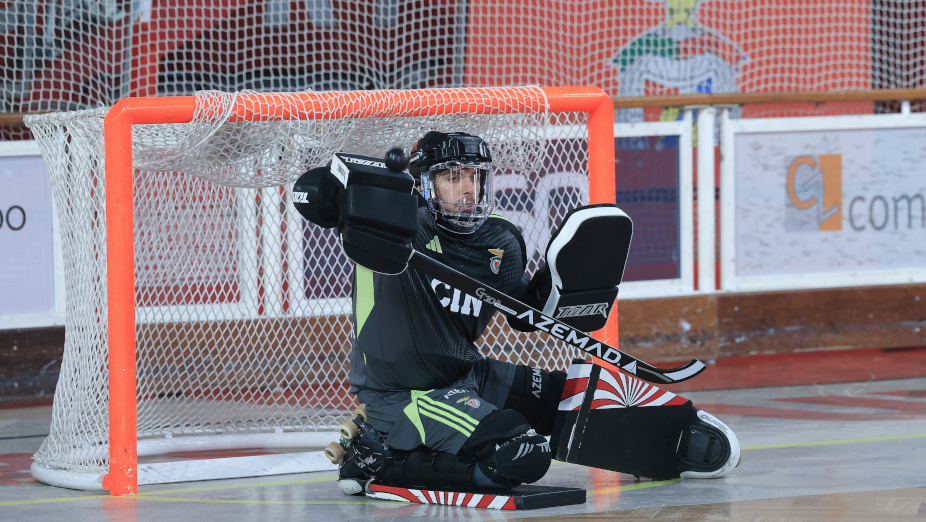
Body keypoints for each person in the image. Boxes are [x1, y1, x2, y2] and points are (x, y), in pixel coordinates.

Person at [292, 131, 739, 495]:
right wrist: (340, 192)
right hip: (403, 395)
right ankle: (384, 461)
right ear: (425, 184)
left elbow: (522, 314)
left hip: (468, 374)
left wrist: (564, 291)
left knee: (574, 399)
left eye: (474, 176)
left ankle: (668, 440)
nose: (467, 188)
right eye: (451, 177)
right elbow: (316, 192)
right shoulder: (394, 231)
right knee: (523, 455)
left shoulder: (501, 242)